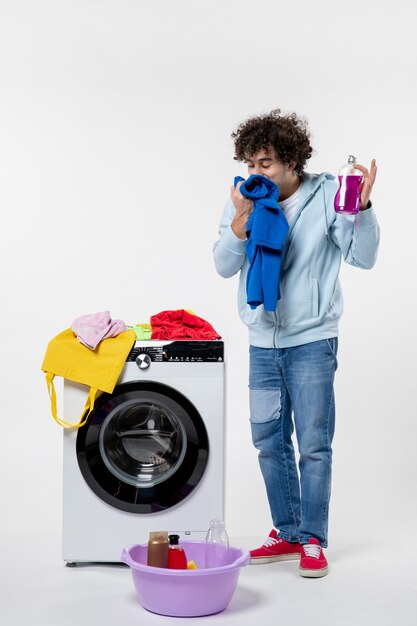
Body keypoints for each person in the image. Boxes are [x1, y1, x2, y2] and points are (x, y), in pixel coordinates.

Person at [213, 109, 380, 578]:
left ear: (291, 161)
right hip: (261, 343)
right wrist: (239, 225)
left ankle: (312, 539)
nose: (254, 173)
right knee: (268, 441)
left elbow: (362, 257)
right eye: (249, 163)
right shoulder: (244, 200)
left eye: (264, 163)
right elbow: (223, 265)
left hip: (311, 343)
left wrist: (362, 210)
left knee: (312, 444)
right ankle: (286, 533)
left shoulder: (327, 196)